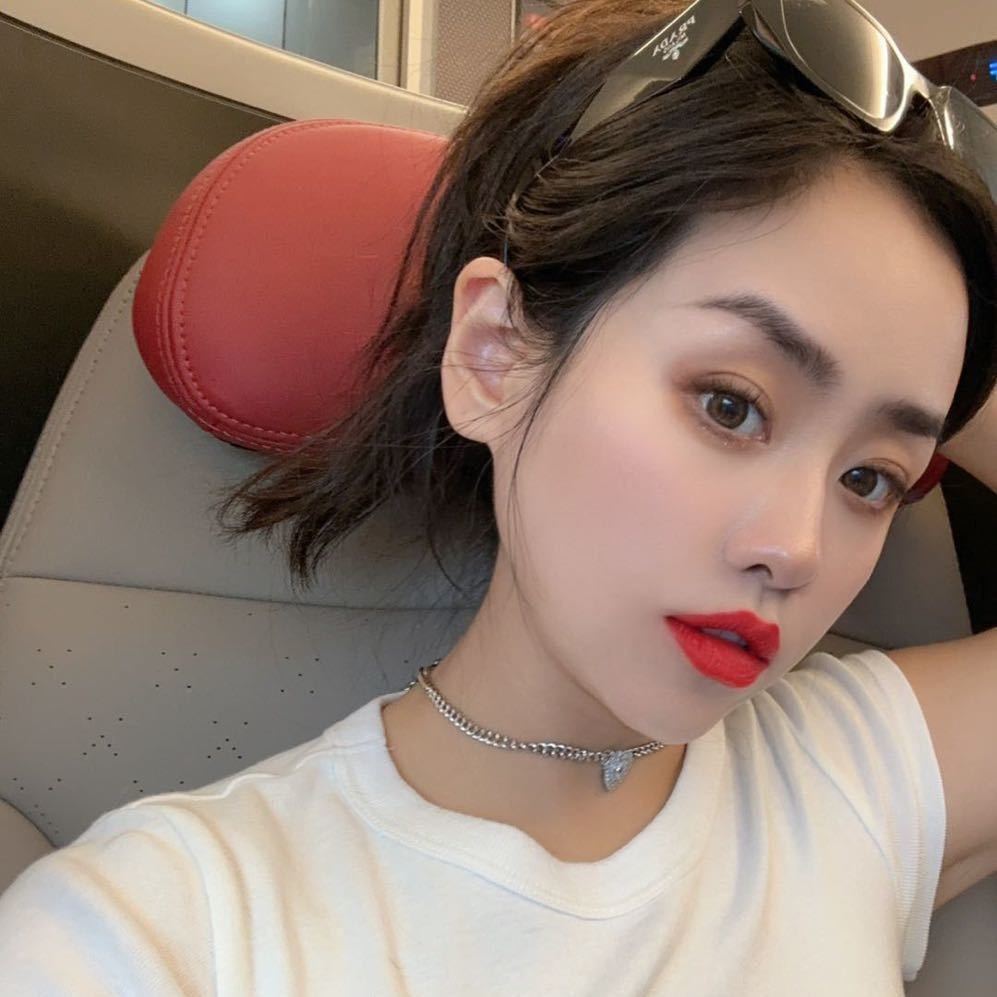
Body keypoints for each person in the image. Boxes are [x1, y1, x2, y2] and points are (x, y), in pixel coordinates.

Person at [1, 0, 995, 993]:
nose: (796, 547)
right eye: (729, 405)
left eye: (869, 477)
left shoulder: (856, 775)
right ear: (492, 356)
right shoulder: (153, 930)